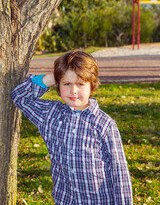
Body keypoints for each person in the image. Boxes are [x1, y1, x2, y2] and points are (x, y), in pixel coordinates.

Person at [11, 50, 133, 205]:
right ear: (58, 85)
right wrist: (51, 77)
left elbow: (120, 173)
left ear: (92, 85)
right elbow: (19, 96)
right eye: (66, 84)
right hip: (65, 200)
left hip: (100, 200)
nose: (73, 91)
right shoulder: (50, 115)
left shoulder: (105, 124)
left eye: (80, 84)